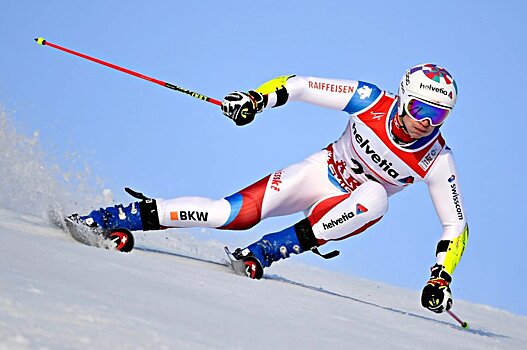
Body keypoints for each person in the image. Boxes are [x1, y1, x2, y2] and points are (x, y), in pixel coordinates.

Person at [69, 63, 468, 314]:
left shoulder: (437, 158)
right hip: (320, 172)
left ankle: (270, 250)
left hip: (346, 206)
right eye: (420, 109)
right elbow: (299, 85)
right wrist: (256, 99)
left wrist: (440, 277)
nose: (425, 122)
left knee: (376, 198)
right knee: (228, 215)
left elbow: (456, 226)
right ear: (402, 97)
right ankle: (112, 219)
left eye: (437, 116)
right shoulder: (368, 100)